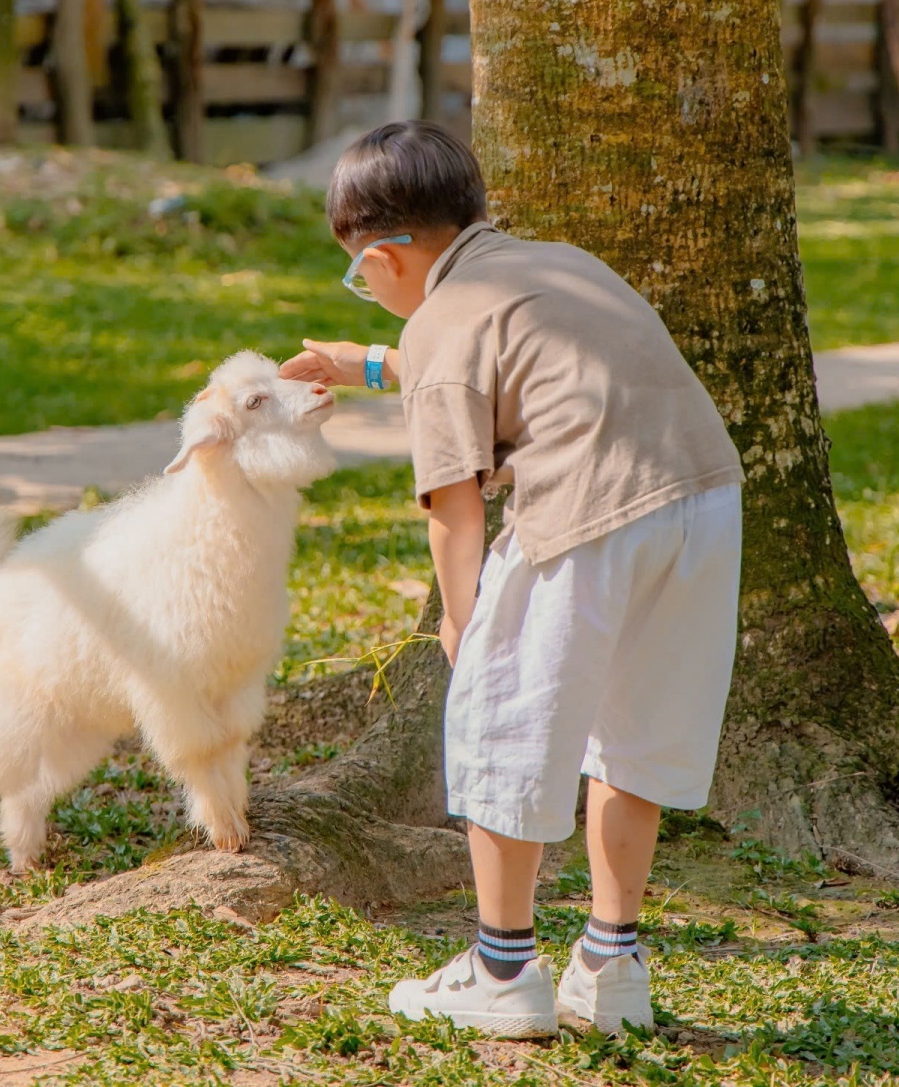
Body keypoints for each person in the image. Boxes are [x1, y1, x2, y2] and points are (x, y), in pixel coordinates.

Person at [280, 121, 743, 1038]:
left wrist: (463, 622)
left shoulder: (440, 321)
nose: (369, 291)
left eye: (359, 274)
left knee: (501, 725)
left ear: (384, 255)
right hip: (701, 499)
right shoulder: (557, 265)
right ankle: (612, 967)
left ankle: (501, 970)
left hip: (584, 512)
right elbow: (501, 370)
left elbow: (454, 508)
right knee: (635, 738)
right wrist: (364, 363)